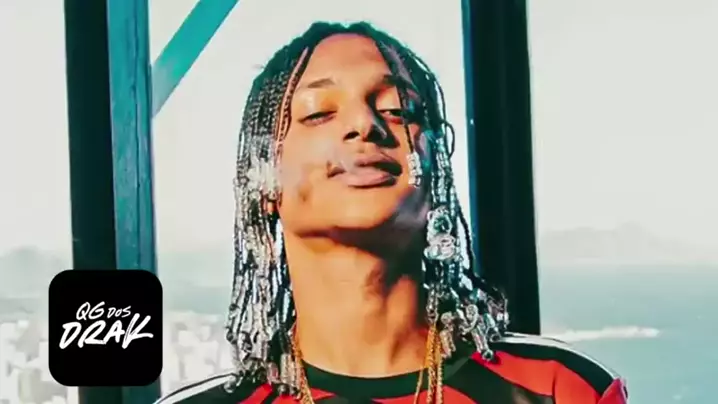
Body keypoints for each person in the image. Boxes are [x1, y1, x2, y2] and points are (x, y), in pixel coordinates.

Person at [156, 21, 628, 404]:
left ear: (436, 168)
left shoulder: (558, 390)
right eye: (319, 112)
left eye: (397, 110)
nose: (365, 124)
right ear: (264, 180)